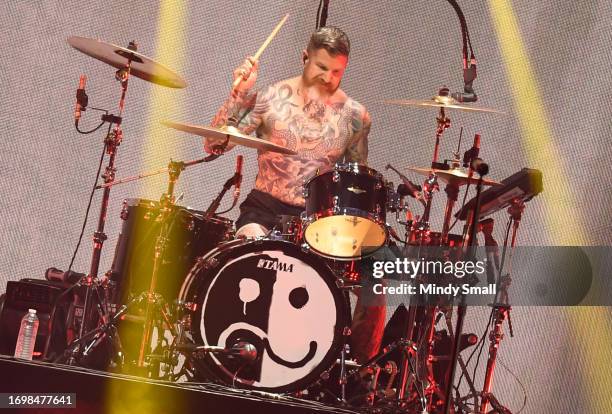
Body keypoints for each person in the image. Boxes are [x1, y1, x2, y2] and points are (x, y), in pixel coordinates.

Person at [204, 26, 383, 364]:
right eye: (320, 67)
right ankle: (239, 353)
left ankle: (356, 371)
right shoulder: (271, 98)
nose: (328, 77)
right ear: (305, 58)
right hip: (264, 209)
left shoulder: (355, 116)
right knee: (254, 250)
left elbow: (356, 180)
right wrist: (239, 93)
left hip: (316, 220)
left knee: (377, 274)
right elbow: (213, 143)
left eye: (336, 72)